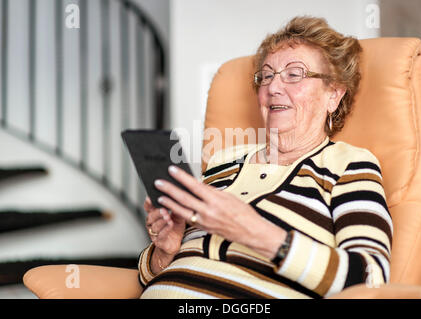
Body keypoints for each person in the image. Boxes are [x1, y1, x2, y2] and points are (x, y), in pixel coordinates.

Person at [138, 16, 392, 299]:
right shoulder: (222, 162)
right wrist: (165, 250)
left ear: (333, 94)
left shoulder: (348, 164)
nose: (273, 87)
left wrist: (256, 232)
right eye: (267, 75)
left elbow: (372, 280)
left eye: (294, 74)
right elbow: (149, 276)